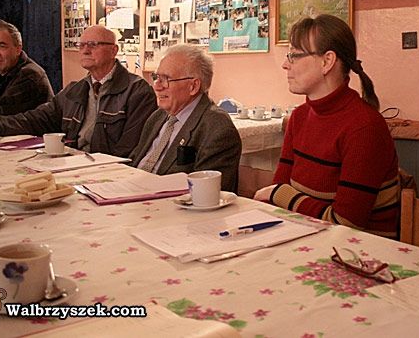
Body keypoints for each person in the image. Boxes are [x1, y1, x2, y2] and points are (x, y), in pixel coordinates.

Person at [255, 15, 403, 238]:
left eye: (294, 55)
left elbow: (345, 223)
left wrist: (281, 194)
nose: (286, 64)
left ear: (327, 62)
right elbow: (278, 198)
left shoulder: (364, 127)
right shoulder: (299, 116)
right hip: (308, 237)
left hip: (359, 248)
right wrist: (278, 195)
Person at [0, 26, 157, 158]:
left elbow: (130, 151)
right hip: (72, 164)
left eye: (93, 44)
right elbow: (34, 119)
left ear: (114, 50)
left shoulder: (137, 92)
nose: (85, 50)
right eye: (82, 45)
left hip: (106, 174)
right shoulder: (75, 90)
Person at [130, 44, 241, 192]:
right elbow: (135, 162)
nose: (157, 86)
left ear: (193, 86)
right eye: (156, 78)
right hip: (130, 191)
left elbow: (206, 193)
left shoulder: (217, 128)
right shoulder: (157, 117)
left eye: (166, 79)